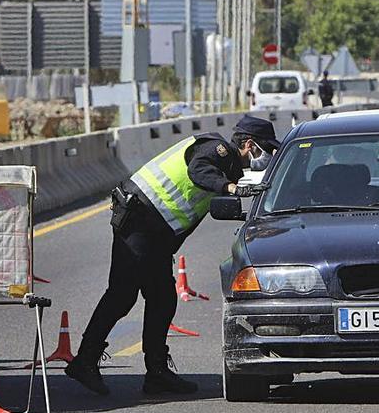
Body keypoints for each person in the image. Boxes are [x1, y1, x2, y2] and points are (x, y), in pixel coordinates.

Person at [65, 115, 280, 396]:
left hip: (153, 232)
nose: (266, 156)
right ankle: (85, 361)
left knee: (162, 298)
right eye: (265, 149)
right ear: (249, 144)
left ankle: (156, 373)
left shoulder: (228, 165)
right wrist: (230, 188)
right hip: (139, 220)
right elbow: (198, 171)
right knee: (122, 296)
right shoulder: (217, 150)